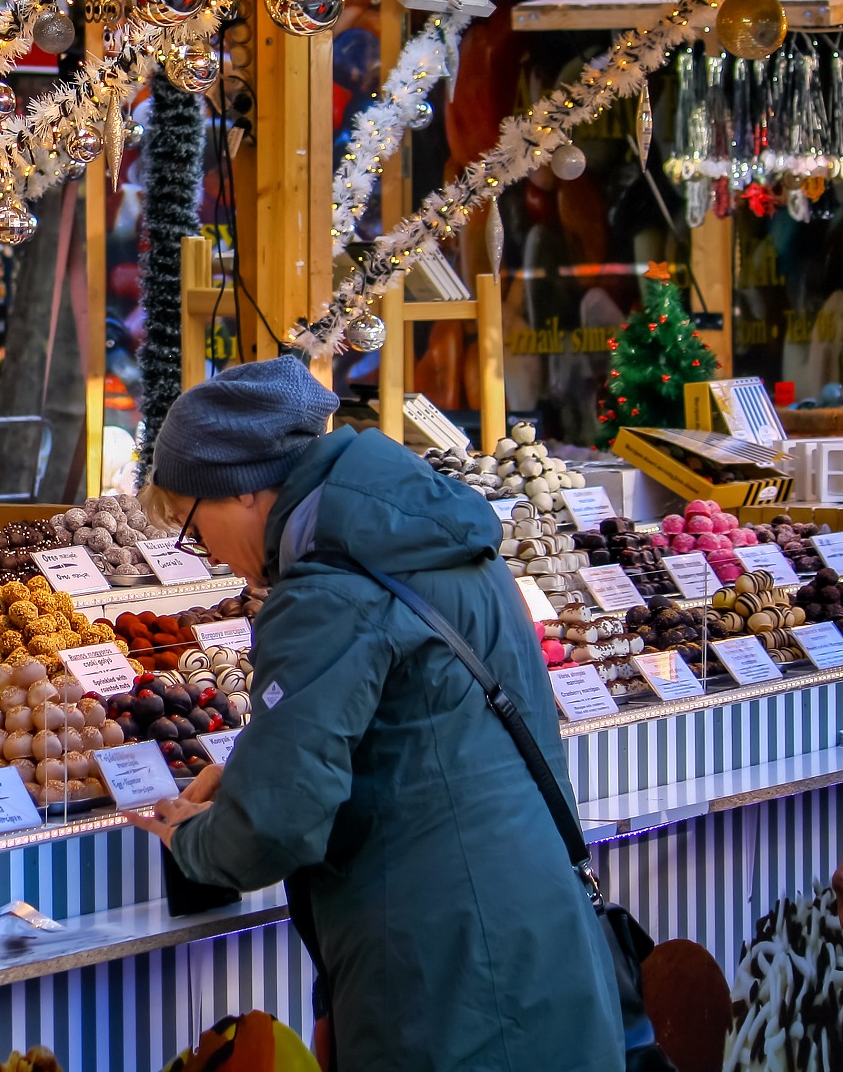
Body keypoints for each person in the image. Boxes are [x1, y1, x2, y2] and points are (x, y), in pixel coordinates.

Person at [129, 355, 623, 1072]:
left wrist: (192, 840)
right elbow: (417, 739)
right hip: (539, 935)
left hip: (442, 982)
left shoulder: (326, 590)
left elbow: (275, 826)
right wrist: (249, 777)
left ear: (240, 492)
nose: (205, 554)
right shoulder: (444, 544)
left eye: (190, 526)